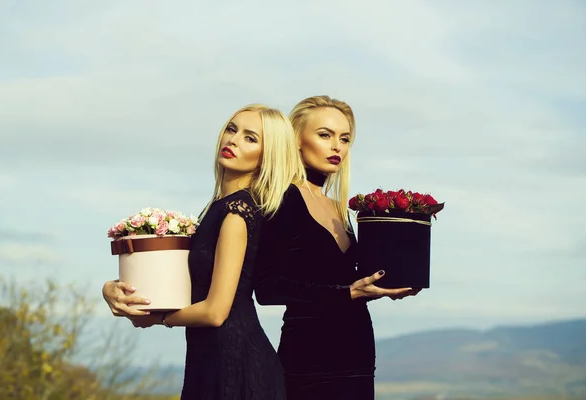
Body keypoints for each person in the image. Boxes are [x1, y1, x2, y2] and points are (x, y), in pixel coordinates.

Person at [102, 104, 305, 400]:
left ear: (267, 156)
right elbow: (179, 282)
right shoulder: (215, 209)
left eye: (251, 138)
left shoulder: (237, 212)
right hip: (210, 359)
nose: (233, 140)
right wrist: (113, 288)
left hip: (236, 364)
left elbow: (215, 311)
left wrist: (157, 319)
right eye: (232, 129)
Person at [255, 95, 421, 400]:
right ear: (297, 140)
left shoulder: (340, 209)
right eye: (325, 135)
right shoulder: (281, 201)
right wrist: (350, 293)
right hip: (308, 357)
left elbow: (346, 284)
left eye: (344, 139)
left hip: (357, 352)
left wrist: (387, 284)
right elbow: (267, 289)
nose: (337, 147)